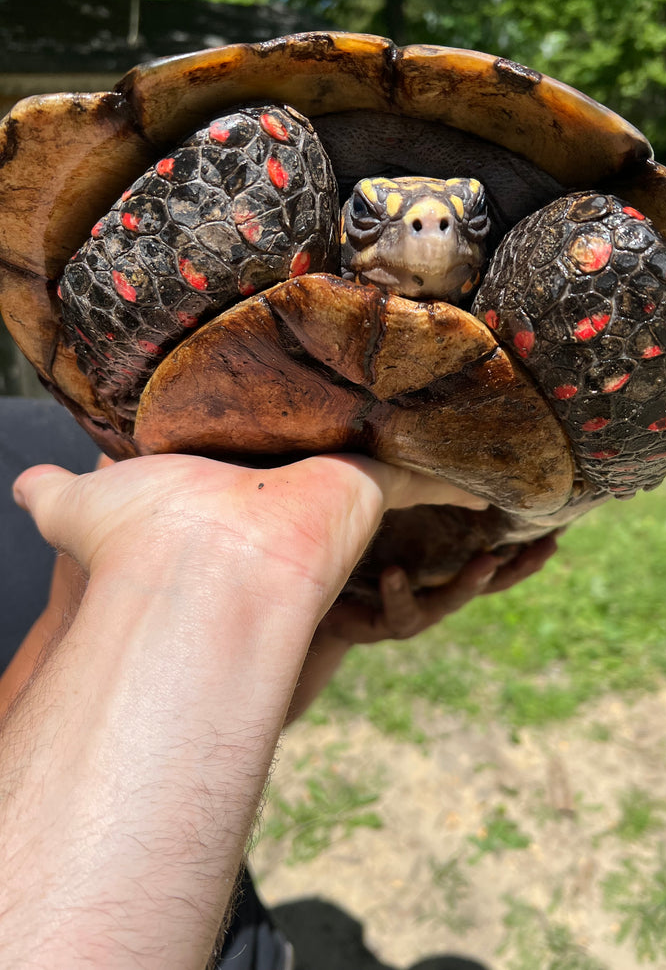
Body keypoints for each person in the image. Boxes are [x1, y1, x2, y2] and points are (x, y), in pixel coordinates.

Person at [0, 399, 557, 969]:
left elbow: (199, 740)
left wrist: (321, 628)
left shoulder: (44, 434)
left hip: (209, 920)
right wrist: (184, 559)